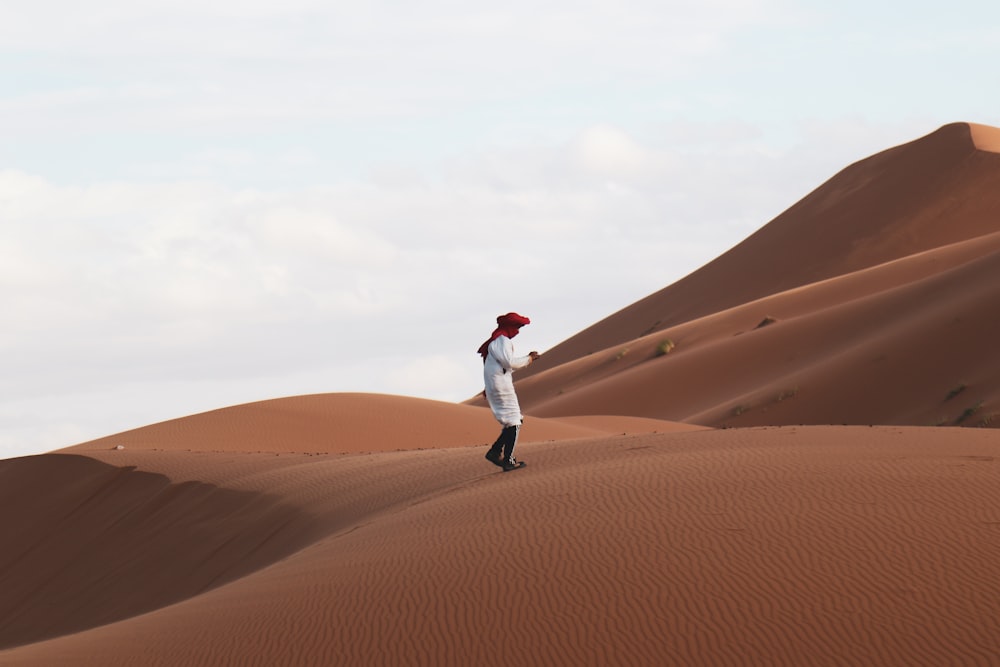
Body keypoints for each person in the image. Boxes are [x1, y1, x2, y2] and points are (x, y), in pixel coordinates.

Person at [477, 312, 540, 471]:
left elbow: (492, 366)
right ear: (509, 327)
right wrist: (529, 358)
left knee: (515, 419)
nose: (518, 330)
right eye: (517, 326)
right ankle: (508, 460)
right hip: (501, 386)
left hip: (497, 384)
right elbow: (509, 362)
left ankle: (496, 451)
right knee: (514, 421)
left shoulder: (496, 340)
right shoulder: (501, 340)